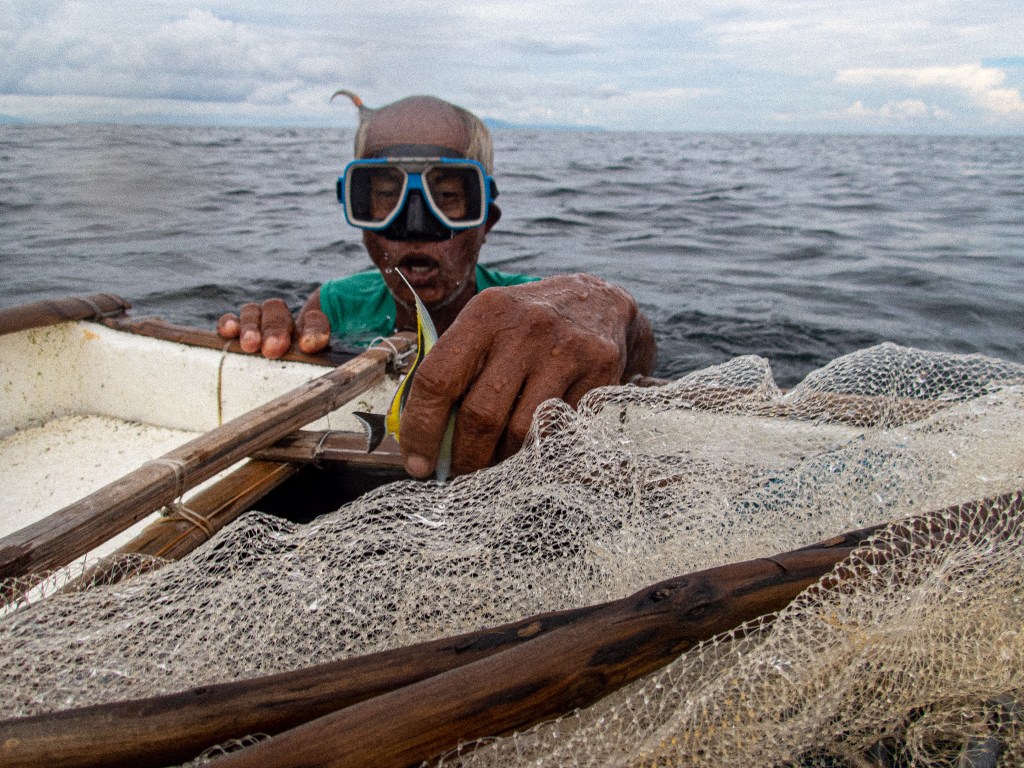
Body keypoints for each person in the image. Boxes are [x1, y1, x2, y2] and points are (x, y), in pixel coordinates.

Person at [218, 93, 656, 479]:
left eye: (447, 197)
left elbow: (627, 356)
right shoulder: (334, 307)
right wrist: (269, 341)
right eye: (386, 195)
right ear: (359, 216)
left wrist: (615, 312)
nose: (416, 227)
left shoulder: (538, 319)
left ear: (485, 222)